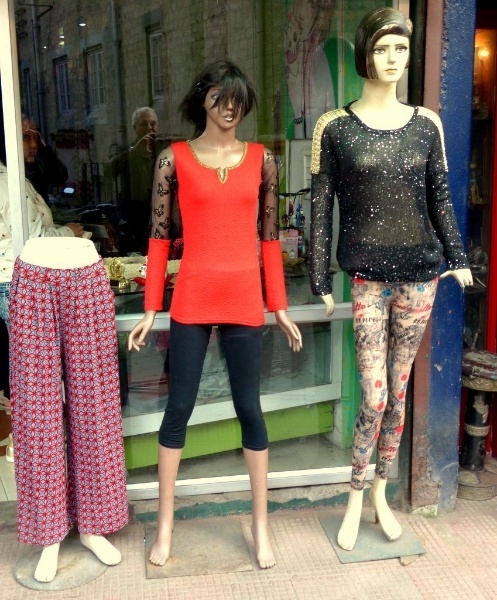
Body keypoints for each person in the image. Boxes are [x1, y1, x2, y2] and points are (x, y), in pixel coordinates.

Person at [309, 7, 473, 551]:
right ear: (365, 54)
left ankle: (380, 493)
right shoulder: (334, 126)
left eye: (401, 48)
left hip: (420, 276)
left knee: (398, 393)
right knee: (374, 395)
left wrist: (457, 257)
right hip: (366, 277)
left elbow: (440, 197)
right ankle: (355, 494)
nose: (393, 58)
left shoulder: (427, 124)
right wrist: (318, 278)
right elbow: (321, 207)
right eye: (382, 48)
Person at [128, 60, 302, 569]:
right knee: (178, 408)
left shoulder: (262, 161)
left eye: (238, 100)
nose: (229, 108)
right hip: (193, 298)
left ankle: (261, 525)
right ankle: (165, 526)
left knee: (250, 408)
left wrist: (279, 305)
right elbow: (159, 238)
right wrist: (151, 307)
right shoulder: (173, 159)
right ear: (202, 98)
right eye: (220, 98)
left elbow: (269, 239)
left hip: (245, 298)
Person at [106, 107, 162, 254]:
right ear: (135, 128)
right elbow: (109, 171)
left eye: (153, 123)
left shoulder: (163, 150)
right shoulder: (127, 149)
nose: (149, 128)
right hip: (133, 215)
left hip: (157, 212)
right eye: (143, 124)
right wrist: (134, 151)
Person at [22, 115, 68, 202]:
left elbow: (60, 177)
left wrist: (44, 149)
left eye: (36, 138)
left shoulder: (37, 163)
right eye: (26, 138)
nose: (33, 145)